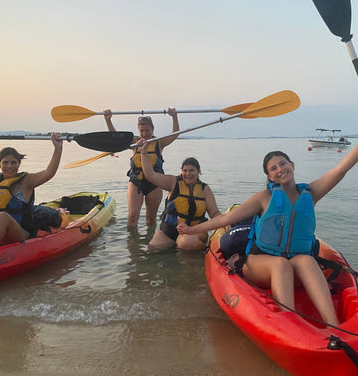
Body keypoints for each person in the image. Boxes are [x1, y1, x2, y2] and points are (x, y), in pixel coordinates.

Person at [178, 145, 358, 326]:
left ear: (292, 165)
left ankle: (334, 326)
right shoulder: (263, 198)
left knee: (308, 260)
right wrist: (191, 230)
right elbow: (226, 218)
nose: (280, 170)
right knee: (280, 264)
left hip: (296, 264)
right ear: (269, 176)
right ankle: (291, 325)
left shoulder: (310, 193)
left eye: (283, 164)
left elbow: (341, 169)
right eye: (274, 168)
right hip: (259, 264)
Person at [137, 139, 220, 251]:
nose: (188, 174)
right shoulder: (173, 182)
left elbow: (214, 213)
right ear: (181, 171)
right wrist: (143, 152)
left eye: (192, 170)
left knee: (185, 243)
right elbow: (150, 175)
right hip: (170, 231)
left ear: (198, 171)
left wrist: (226, 223)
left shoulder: (204, 189)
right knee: (153, 248)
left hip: (194, 232)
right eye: (185, 171)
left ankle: (200, 250)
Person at [103, 108, 179, 227]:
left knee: (151, 219)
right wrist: (108, 120)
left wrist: (174, 116)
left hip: (155, 184)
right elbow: (116, 138)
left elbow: (175, 133)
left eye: (147, 130)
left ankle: (150, 243)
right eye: (141, 131)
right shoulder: (134, 143)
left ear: (152, 129)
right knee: (132, 217)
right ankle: (133, 245)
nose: (144, 134)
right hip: (136, 182)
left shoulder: (159, 143)